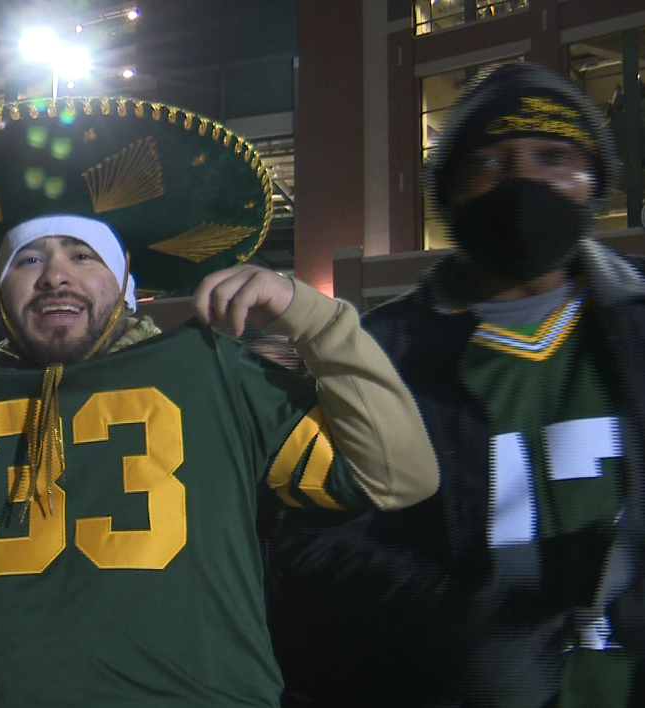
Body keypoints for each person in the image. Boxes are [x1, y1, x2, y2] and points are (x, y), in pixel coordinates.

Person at [0, 97, 439, 707]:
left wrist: (315, 319)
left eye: (82, 255)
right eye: (29, 258)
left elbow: (398, 476)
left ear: (124, 283)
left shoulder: (212, 371)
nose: (54, 275)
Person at [268, 62, 645, 708]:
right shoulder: (376, 354)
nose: (523, 180)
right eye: (489, 163)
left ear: (596, 184)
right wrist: (462, 626)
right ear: (449, 192)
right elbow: (307, 542)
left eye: (554, 156)